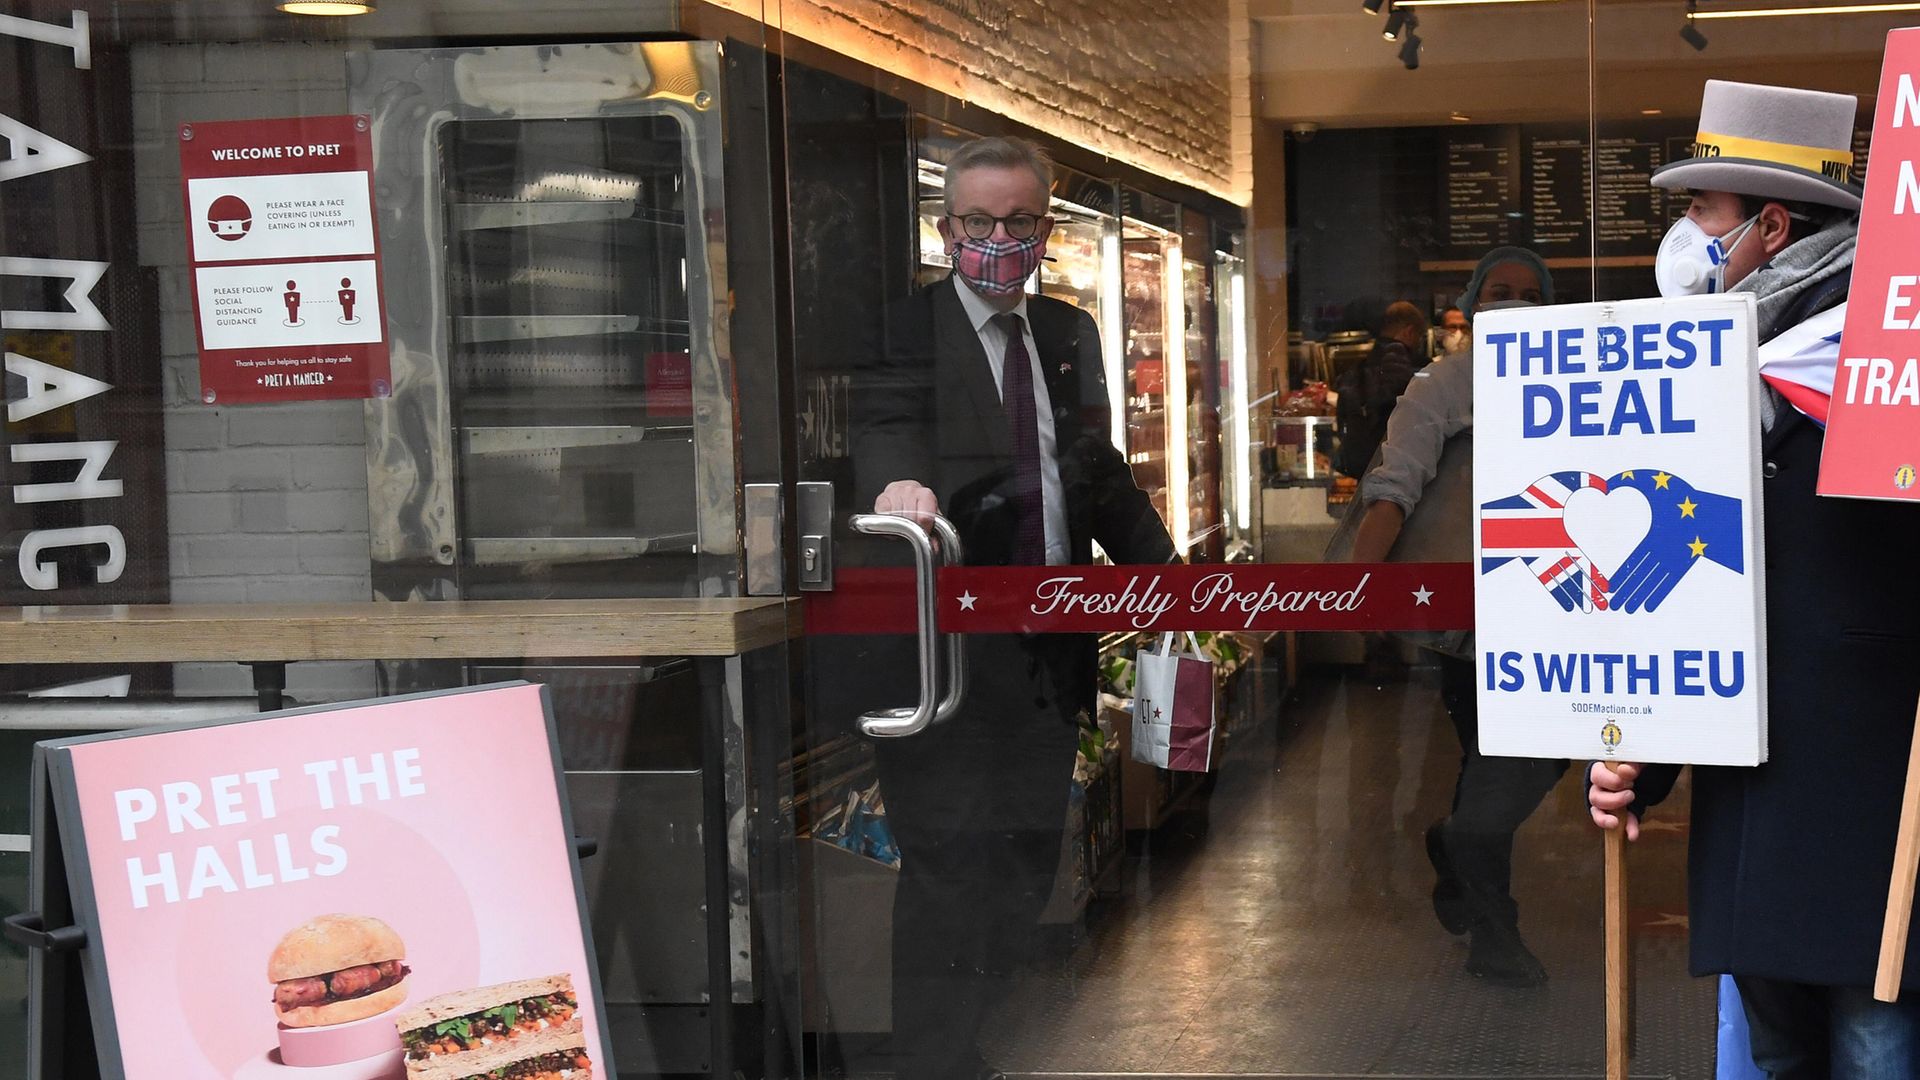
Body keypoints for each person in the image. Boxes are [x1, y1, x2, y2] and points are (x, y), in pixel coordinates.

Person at [1587, 80, 1920, 1077]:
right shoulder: (1702, 375)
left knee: (1875, 1052)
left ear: (1771, 226)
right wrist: (1639, 752)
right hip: (1755, 820)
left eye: (1701, 212)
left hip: (1878, 821)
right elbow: (1698, 596)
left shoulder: (1889, 367)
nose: (1685, 235)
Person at [851, 135, 1175, 1080]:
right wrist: (897, 486)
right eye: (980, 222)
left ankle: (969, 1028)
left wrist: (1166, 571)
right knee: (948, 862)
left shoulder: (1070, 335)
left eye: (1020, 222)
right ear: (947, 228)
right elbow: (883, 425)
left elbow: (1095, 471)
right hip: (943, 661)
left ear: (1044, 228)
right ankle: (935, 1060)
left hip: (1051, 651)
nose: (1000, 237)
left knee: (1028, 860)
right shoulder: (904, 329)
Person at [1347, 247, 1561, 988]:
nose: (1514, 304)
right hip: (1467, 622)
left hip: (1564, 613)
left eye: (1530, 294)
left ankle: (1456, 838)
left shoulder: (1578, 380)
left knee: (1514, 771)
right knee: (1490, 768)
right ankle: (1495, 935)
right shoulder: (1441, 383)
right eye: (1499, 292)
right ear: (1470, 305)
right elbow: (1393, 488)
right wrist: (1355, 593)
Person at [1332, 300, 1424, 479]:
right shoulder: (1412, 368)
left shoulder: (1357, 371)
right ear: (1410, 331)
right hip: (1400, 470)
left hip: (1360, 469)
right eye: (1418, 337)